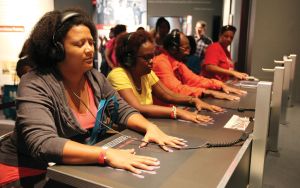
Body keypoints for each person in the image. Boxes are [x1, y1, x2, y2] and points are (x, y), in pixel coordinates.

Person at [0, 9, 186, 186]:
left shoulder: (94, 78)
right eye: (80, 44)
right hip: (27, 172)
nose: (90, 49)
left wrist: (149, 127)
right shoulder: (34, 83)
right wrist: (105, 154)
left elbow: (122, 109)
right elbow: (43, 143)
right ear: (56, 50)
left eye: (90, 42)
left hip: (71, 167)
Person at [108, 31, 222, 125]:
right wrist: (178, 112)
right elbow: (137, 107)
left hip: (146, 125)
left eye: (152, 56)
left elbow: (168, 95)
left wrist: (194, 100)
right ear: (129, 58)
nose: (151, 61)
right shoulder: (118, 74)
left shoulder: (147, 73)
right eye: (146, 57)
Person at [152, 29, 246, 101]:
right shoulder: (161, 62)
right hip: (165, 112)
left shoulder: (176, 62)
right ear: (173, 49)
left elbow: (195, 80)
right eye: (185, 49)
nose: (188, 53)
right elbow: (176, 90)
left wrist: (220, 85)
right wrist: (206, 92)